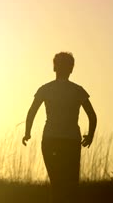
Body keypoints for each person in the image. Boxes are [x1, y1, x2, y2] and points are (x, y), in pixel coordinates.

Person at [22, 52, 97, 203]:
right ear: (71, 69)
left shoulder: (45, 89)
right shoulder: (78, 90)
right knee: (70, 185)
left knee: (56, 184)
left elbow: (31, 112)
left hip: (51, 141)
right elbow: (92, 115)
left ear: (54, 68)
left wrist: (27, 133)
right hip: (71, 142)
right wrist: (90, 136)